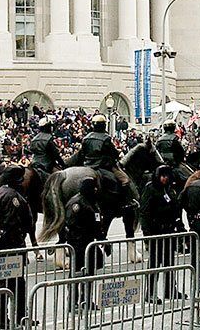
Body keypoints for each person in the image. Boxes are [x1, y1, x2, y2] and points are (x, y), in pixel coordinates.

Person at [0, 166, 33, 328]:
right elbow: (18, 223)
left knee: (6, 282)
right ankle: (18, 317)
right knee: (15, 283)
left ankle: (4, 318)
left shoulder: (0, 193)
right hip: (14, 243)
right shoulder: (13, 197)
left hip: (5, 244)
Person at [138, 165, 187, 302]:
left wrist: (180, 226)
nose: (165, 178)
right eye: (162, 176)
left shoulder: (170, 189)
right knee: (154, 264)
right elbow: (144, 212)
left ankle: (170, 289)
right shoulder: (150, 188)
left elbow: (176, 210)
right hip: (156, 232)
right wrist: (147, 233)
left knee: (169, 263)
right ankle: (150, 292)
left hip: (169, 231)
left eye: (167, 176)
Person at [66, 113, 135, 206]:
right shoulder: (106, 138)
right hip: (103, 166)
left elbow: (82, 154)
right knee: (125, 179)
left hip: (87, 165)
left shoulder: (86, 137)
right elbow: (113, 154)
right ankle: (127, 203)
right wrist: (117, 154)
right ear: (103, 125)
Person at [64, 177, 105, 309]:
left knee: (90, 272)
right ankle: (73, 302)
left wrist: (102, 239)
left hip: (89, 243)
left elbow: (97, 221)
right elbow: (70, 225)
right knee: (76, 273)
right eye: (93, 187)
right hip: (78, 244)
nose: (96, 190)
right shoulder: (76, 203)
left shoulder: (93, 201)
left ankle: (86, 300)